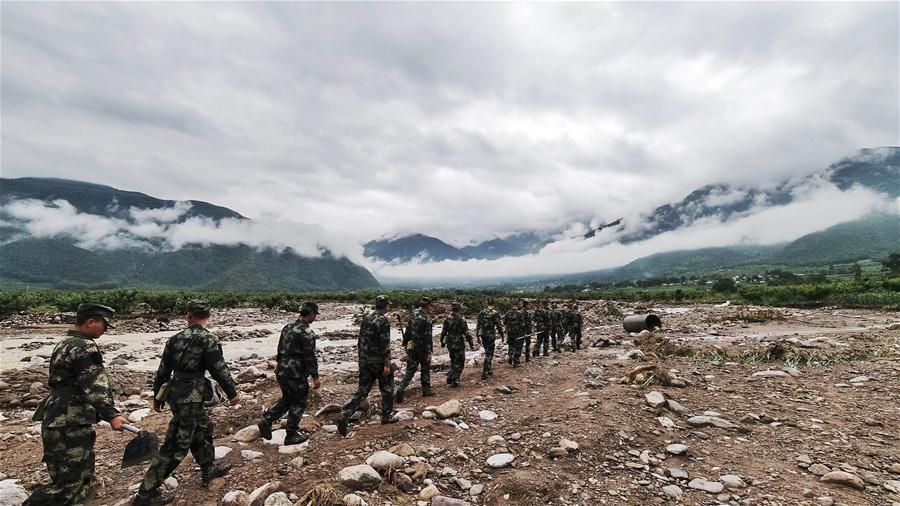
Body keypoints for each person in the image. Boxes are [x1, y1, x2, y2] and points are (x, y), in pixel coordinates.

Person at [133, 300, 238, 506]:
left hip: (177, 393)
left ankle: (208, 469)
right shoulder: (209, 339)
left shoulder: (174, 340)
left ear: (188, 315)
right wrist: (232, 393)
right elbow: (219, 369)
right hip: (192, 395)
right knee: (176, 444)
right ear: (208, 315)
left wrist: (157, 398)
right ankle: (145, 492)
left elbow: (162, 371)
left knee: (202, 429)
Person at [25, 304, 128, 506]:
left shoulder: (65, 342)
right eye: (104, 324)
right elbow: (94, 385)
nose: (105, 330)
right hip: (70, 420)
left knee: (71, 471)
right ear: (91, 321)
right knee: (70, 482)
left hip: (58, 416)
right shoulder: (85, 346)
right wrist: (112, 415)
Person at [257, 301, 321, 445]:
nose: (315, 318)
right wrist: (315, 377)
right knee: (299, 401)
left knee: (287, 399)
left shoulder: (287, 327)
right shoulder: (307, 332)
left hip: (282, 370)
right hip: (295, 373)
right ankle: (291, 434)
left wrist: (281, 365)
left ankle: (267, 420)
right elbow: (309, 357)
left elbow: (279, 350)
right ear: (311, 314)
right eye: (315, 315)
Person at [338, 295, 395, 436]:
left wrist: (361, 358)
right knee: (387, 388)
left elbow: (360, 339)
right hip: (378, 361)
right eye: (388, 305)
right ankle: (386, 417)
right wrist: (387, 364)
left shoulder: (367, 317)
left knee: (363, 390)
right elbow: (384, 344)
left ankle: (346, 413)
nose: (389, 307)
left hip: (365, 360)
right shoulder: (383, 321)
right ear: (386, 306)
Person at [395, 296, 435, 402]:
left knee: (410, 370)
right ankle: (426, 391)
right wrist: (429, 351)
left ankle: (401, 389)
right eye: (431, 305)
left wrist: (405, 343)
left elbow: (408, 330)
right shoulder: (427, 319)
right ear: (428, 305)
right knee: (425, 368)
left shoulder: (414, 315)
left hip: (412, 347)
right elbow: (428, 337)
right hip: (422, 349)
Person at [440, 301, 474, 387]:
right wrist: (471, 344)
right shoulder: (462, 320)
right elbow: (467, 333)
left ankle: (451, 375)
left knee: (453, 359)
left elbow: (443, 332)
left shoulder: (447, 319)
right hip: (459, 342)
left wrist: (442, 343)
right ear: (459, 309)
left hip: (450, 342)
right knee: (460, 361)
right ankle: (455, 379)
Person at [475, 298, 504, 379]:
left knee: (487, 351)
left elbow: (478, 325)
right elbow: (499, 325)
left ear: (487, 304)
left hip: (483, 335)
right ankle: (485, 371)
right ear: (494, 304)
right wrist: (502, 336)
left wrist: (477, 336)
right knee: (489, 353)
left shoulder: (481, 312)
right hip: (491, 335)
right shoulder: (495, 313)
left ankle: (489, 369)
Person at [503, 300, 527, 367]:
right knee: (518, 347)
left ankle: (510, 357)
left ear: (512, 306)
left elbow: (504, 322)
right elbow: (522, 324)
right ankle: (516, 362)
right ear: (517, 305)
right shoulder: (519, 313)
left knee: (511, 345)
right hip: (518, 333)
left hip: (510, 332)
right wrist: (524, 333)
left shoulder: (508, 313)